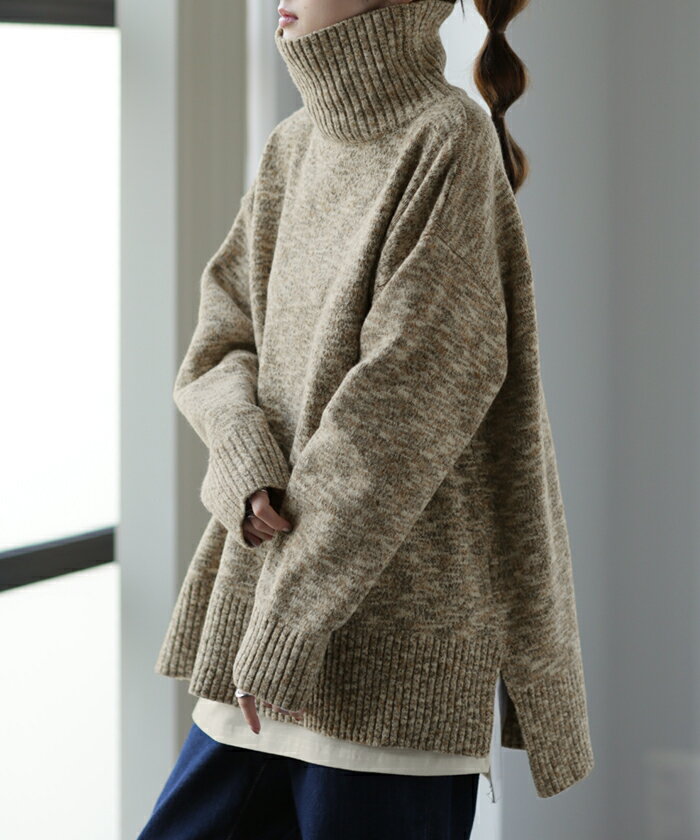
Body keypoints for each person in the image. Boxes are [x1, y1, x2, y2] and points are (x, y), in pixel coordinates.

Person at [139, 0, 595, 837]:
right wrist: (244, 458)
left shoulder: (447, 140)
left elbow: (400, 413)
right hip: (263, 638)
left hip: (390, 680)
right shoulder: (293, 145)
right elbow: (221, 339)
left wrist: (288, 620)